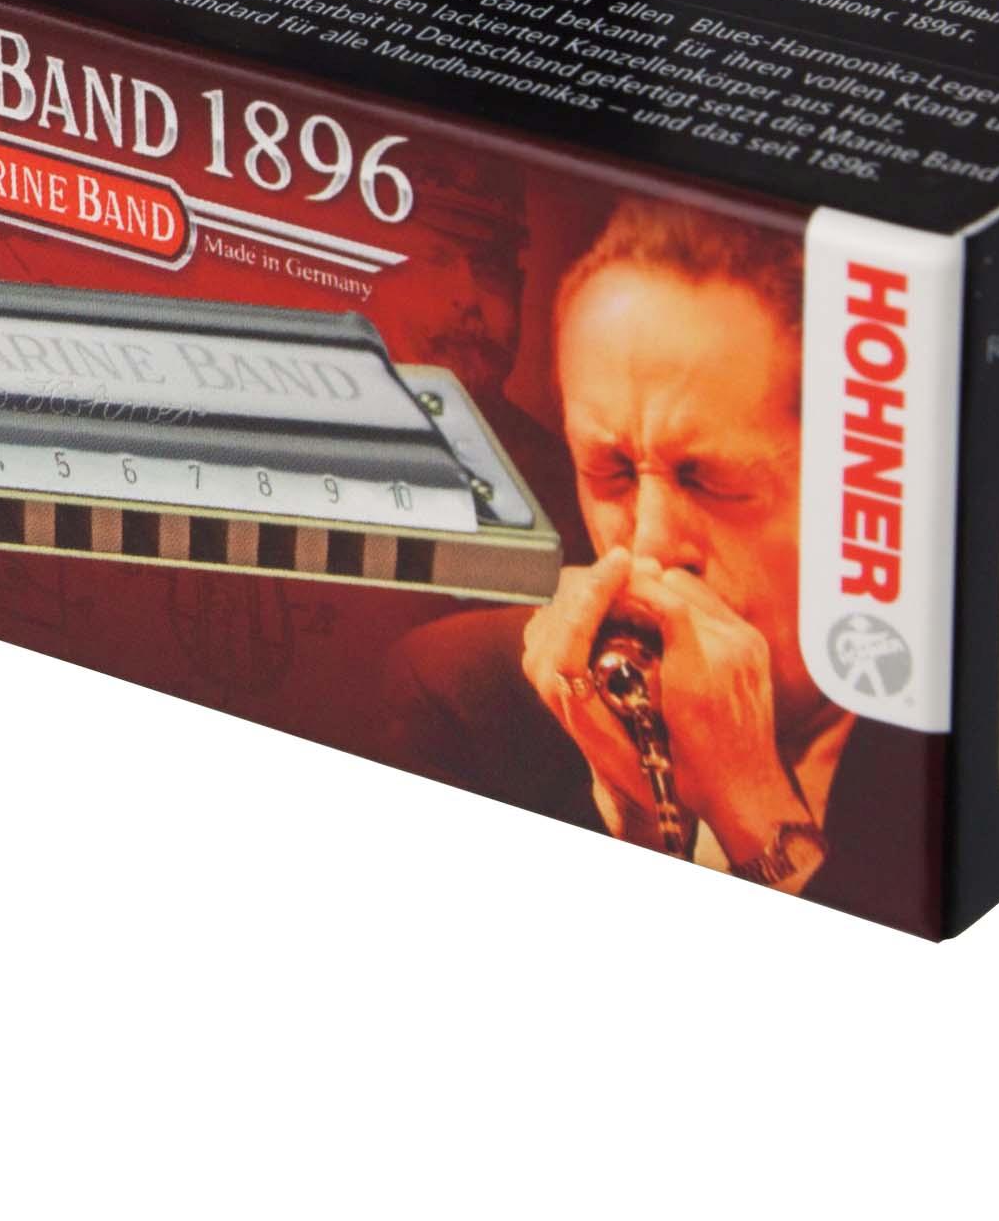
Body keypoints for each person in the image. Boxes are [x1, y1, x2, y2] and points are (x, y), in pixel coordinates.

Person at [387, 200, 934, 923]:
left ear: (858, 487)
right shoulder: (462, 698)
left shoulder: (944, 739)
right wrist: (638, 834)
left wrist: (753, 808)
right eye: (610, 472)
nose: (646, 545)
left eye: (709, 480)